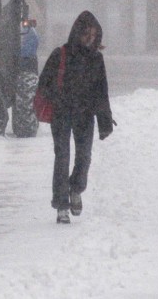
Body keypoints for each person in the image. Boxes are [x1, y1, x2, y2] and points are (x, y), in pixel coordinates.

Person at [37, 11, 114, 224]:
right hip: (61, 114)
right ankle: (61, 205)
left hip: (85, 114)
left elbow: (101, 92)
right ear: (77, 33)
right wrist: (57, 96)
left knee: (84, 157)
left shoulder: (96, 59)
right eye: (86, 34)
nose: (90, 38)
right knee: (62, 157)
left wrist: (105, 122)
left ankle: (76, 189)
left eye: (94, 35)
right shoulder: (60, 54)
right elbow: (43, 83)